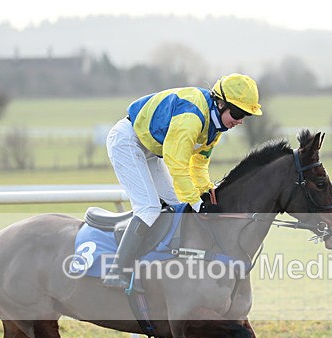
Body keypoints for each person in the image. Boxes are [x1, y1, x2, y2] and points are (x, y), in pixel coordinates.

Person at [103, 73, 263, 289]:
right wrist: (198, 205)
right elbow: (177, 164)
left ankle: (159, 266)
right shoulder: (192, 117)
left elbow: (198, 165)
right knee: (149, 208)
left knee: (176, 206)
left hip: (150, 150)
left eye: (246, 115)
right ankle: (118, 271)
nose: (240, 120)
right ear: (221, 103)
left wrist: (206, 191)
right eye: (238, 113)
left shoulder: (214, 126)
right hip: (127, 141)